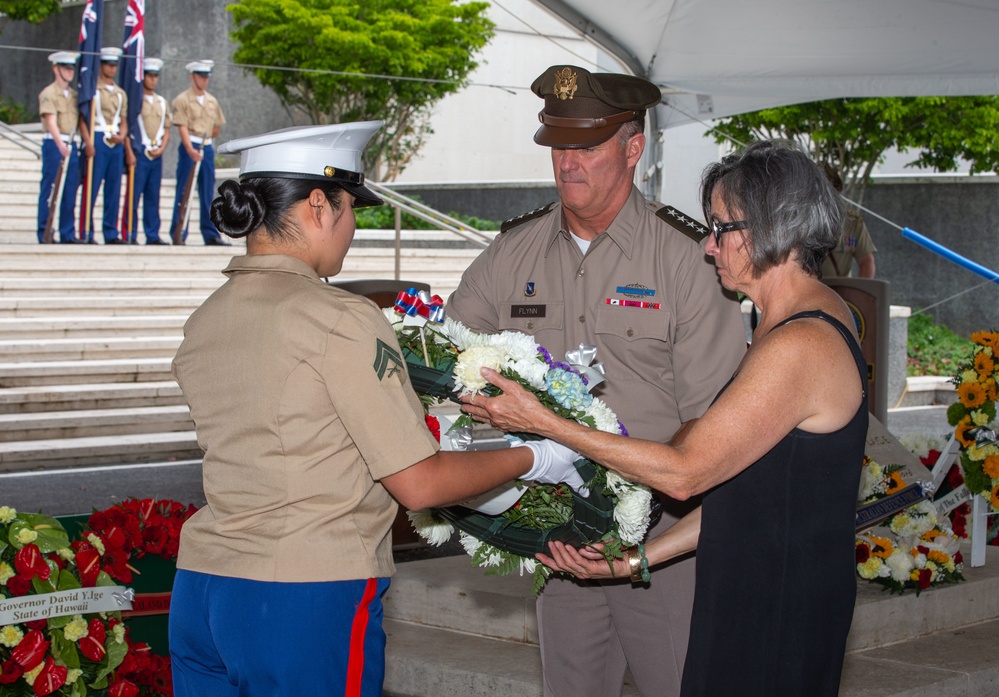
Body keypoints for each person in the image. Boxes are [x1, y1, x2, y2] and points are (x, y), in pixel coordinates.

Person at [167, 121, 585, 697]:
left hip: (203, 588)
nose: (353, 228)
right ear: (319, 205)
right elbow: (419, 483)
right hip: (304, 591)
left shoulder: (206, 318)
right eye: (349, 208)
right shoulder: (339, 316)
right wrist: (533, 456)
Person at [465, 139, 869, 697]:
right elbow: (746, 495)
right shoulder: (801, 319)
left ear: (771, 228)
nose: (708, 246)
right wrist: (636, 561)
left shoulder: (798, 342)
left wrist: (547, 423)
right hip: (761, 580)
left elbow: (687, 472)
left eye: (722, 228)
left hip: (773, 599)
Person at [446, 65, 746, 697]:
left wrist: (638, 513)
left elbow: (715, 417)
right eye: (557, 146)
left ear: (632, 147)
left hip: (664, 536)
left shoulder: (686, 260)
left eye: (585, 146)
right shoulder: (512, 254)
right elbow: (450, 363)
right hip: (555, 536)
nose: (566, 163)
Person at [169, 59, 227, 245]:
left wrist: (206, 141)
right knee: (184, 191)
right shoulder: (182, 99)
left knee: (207, 192)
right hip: (191, 146)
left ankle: (210, 233)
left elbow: (216, 127)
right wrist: (190, 149)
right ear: (192, 77)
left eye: (206, 77)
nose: (204, 80)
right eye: (201, 77)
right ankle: (179, 232)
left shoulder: (212, 101)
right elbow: (182, 127)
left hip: (206, 147)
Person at [81, 46, 132, 244]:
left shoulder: (120, 93)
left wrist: (123, 135)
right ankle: (87, 231)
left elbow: (124, 120)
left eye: (114, 65)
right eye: (108, 65)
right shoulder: (93, 90)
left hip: (115, 141)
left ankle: (111, 232)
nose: (112, 69)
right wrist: (88, 141)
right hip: (98, 138)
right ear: (101, 65)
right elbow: (83, 119)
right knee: (92, 188)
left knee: (113, 190)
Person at [37, 51, 83, 244]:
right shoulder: (49, 93)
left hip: (71, 143)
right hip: (55, 144)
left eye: (72, 68)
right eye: (65, 68)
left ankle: (67, 232)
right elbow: (51, 121)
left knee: (70, 189)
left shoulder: (74, 95)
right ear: (56, 69)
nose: (70, 72)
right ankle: (45, 231)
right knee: (50, 188)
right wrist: (60, 145)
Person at [125, 57, 171, 245]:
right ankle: (130, 233)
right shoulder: (135, 101)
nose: (153, 79)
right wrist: (129, 151)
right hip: (140, 152)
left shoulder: (161, 102)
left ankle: (152, 234)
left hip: (156, 152)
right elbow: (129, 127)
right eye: (150, 76)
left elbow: (167, 128)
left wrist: (162, 147)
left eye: (155, 76)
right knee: (134, 196)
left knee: (153, 197)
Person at [820, 164, 876, 278]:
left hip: (842, 293)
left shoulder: (852, 222)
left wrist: (860, 293)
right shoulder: (798, 223)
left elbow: (866, 262)